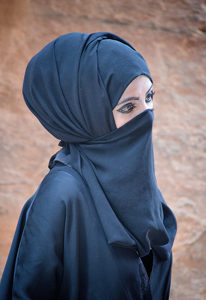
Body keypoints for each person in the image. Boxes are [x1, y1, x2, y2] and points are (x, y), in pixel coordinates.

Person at [0, 32, 177, 300]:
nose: (147, 116)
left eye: (149, 97)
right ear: (87, 113)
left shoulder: (136, 184)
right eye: (128, 107)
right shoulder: (61, 194)